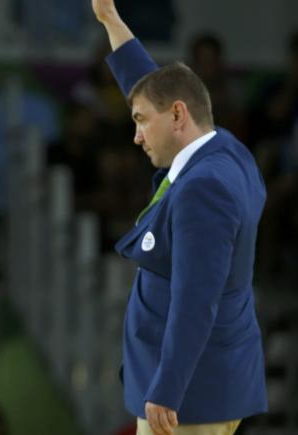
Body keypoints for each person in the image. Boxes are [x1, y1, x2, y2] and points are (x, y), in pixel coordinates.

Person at [91, 1, 268, 434]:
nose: (135, 136)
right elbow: (152, 88)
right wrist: (112, 22)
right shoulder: (222, 146)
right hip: (204, 382)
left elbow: (195, 299)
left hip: (188, 399)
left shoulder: (202, 190)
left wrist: (167, 389)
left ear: (177, 116)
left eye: (140, 122)